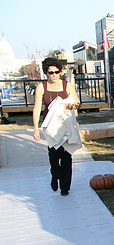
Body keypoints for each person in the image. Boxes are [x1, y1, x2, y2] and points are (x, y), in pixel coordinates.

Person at [33, 57, 81, 196]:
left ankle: (65, 187)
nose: (54, 75)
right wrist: (36, 128)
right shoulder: (42, 87)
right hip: (51, 127)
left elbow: (77, 102)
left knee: (66, 157)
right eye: (50, 72)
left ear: (60, 71)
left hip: (66, 125)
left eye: (56, 72)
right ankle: (55, 175)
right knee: (54, 157)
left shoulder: (67, 85)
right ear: (46, 73)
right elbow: (37, 108)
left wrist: (70, 105)